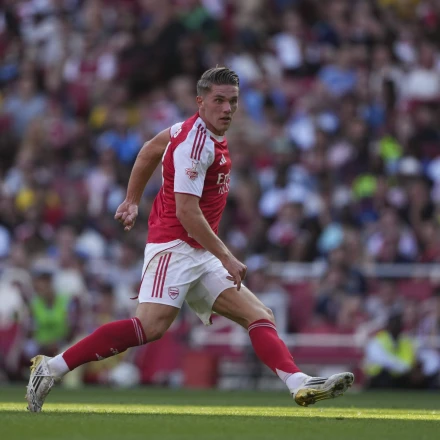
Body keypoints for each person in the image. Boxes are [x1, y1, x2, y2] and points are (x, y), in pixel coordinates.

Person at [26, 67, 354, 412]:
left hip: (199, 249)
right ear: (201, 102)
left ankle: (298, 383)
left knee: (259, 314)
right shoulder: (195, 146)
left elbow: (150, 149)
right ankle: (51, 368)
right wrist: (226, 256)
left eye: (233, 101)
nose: (227, 108)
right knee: (150, 327)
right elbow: (186, 212)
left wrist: (132, 200)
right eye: (219, 100)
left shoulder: (191, 130)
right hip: (174, 247)